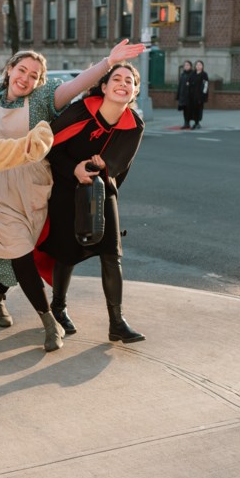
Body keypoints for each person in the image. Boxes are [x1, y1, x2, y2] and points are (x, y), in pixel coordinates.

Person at [0, 32, 144, 351]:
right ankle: (50, 319)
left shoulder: (42, 98)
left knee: (20, 247)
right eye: (22, 70)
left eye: (34, 75)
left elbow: (78, 84)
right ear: (9, 69)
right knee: (18, 247)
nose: (26, 78)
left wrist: (109, 61)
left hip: (31, 186)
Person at [34, 62, 146, 344]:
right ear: (105, 87)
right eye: (117, 79)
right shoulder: (81, 111)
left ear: (134, 91)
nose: (123, 83)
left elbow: (120, 166)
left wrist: (104, 175)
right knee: (65, 252)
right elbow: (50, 148)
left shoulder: (134, 124)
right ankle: (58, 306)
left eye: (129, 81)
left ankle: (117, 322)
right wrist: (75, 169)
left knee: (112, 254)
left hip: (101, 190)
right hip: (65, 187)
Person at [176, 59, 207, 129]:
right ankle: (186, 123)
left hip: (194, 96)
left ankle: (196, 123)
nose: (186, 66)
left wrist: (203, 96)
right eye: (185, 65)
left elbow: (204, 85)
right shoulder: (183, 75)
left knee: (195, 110)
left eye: (187, 65)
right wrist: (178, 95)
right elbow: (180, 86)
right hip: (185, 95)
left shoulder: (201, 74)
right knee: (185, 110)